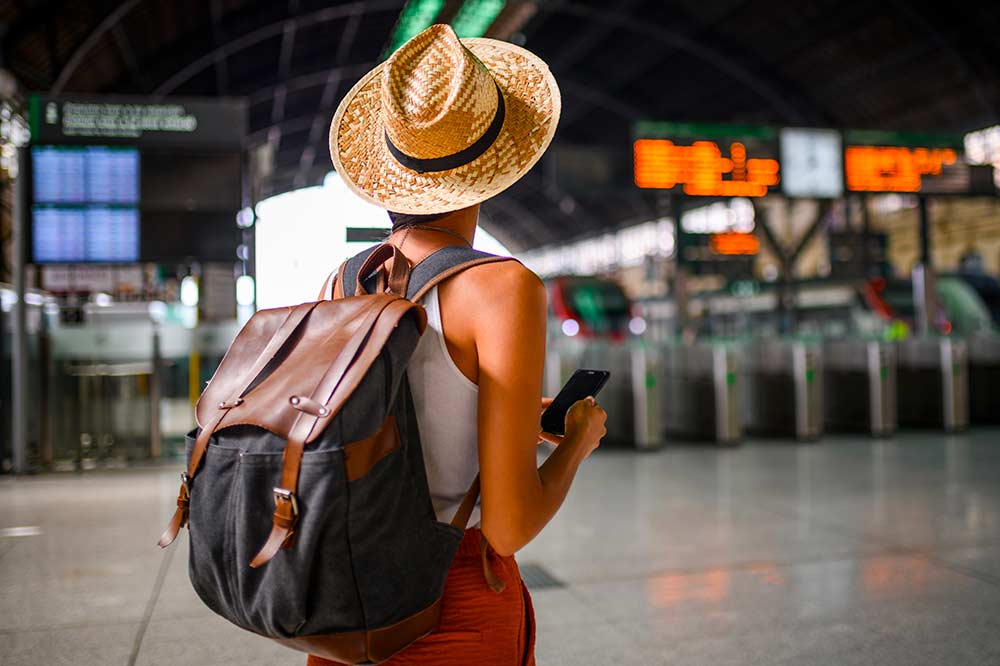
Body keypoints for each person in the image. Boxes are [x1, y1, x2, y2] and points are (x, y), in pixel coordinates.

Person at [309, 23, 607, 665]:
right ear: (494, 170)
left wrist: (510, 416)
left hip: (341, 606)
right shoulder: (502, 287)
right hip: (451, 608)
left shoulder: (343, 279)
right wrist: (577, 443)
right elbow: (507, 526)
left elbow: (387, 422)